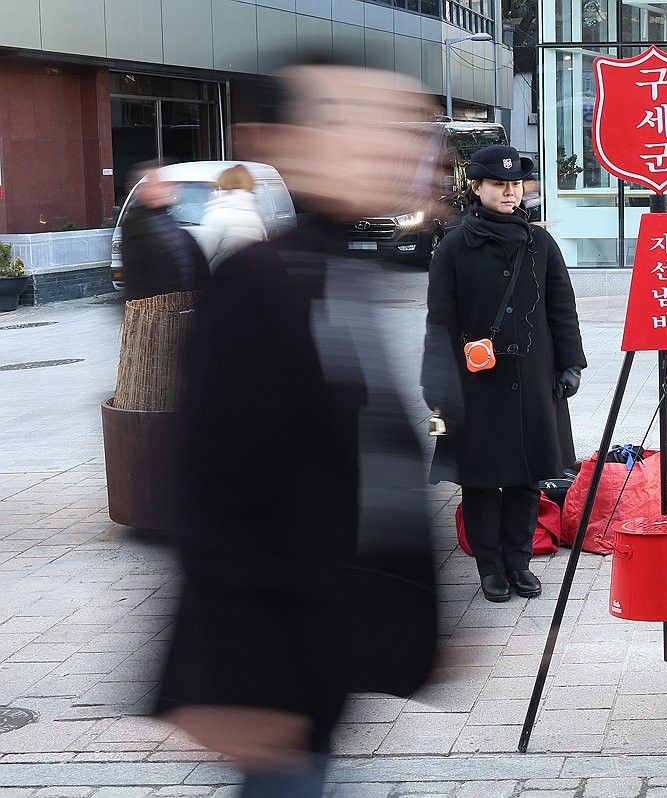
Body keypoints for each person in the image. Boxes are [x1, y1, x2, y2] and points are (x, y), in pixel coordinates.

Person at [154, 62, 442, 798]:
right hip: (274, 686)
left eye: (399, 123)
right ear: (284, 142)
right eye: (354, 119)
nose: (387, 145)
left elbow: (363, 463)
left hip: (327, 660)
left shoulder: (340, 267)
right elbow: (208, 492)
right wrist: (232, 683)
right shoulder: (258, 284)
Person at [423, 143, 586, 604]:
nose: (510, 192)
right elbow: (440, 321)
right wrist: (438, 384)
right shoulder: (454, 246)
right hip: (475, 383)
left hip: (534, 377)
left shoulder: (540, 243)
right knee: (481, 481)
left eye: (515, 184)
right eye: (499, 184)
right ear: (476, 187)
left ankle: (520, 562)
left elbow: (562, 308)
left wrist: (570, 362)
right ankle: (490, 567)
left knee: (527, 477)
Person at [119, 162, 210, 299]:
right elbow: (137, 280)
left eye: (163, 184)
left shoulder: (165, 219)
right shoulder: (137, 226)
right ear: (143, 191)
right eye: (155, 185)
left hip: (180, 304)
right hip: (158, 308)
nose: (164, 189)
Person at [197, 164, 267, 269]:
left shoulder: (218, 215)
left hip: (220, 280)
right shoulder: (255, 216)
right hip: (251, 280)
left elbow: (201, 256)